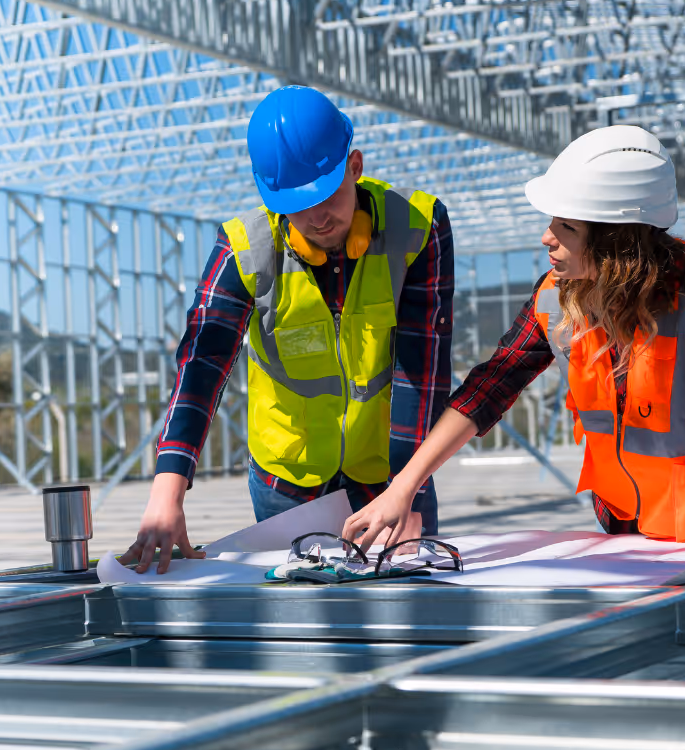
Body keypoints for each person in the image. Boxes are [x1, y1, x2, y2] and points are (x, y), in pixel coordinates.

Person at [343, 125, 685, 564]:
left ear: (616, 243)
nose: (546, 237)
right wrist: (401, 489)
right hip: (627, 538)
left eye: (566, 227)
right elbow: (489, 388)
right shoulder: (555, 299)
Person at [124, 85, 455, 573]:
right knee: (305, 627)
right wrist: (166, 490)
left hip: (389, 470)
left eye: (328, 195)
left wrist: (408, 486)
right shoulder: (245, 251)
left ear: (355, 166)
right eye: (297, 204)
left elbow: (422, 373)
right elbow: (201, 364)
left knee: (405, 610)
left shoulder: (417, 228)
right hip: (287, 483)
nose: (318, 217)